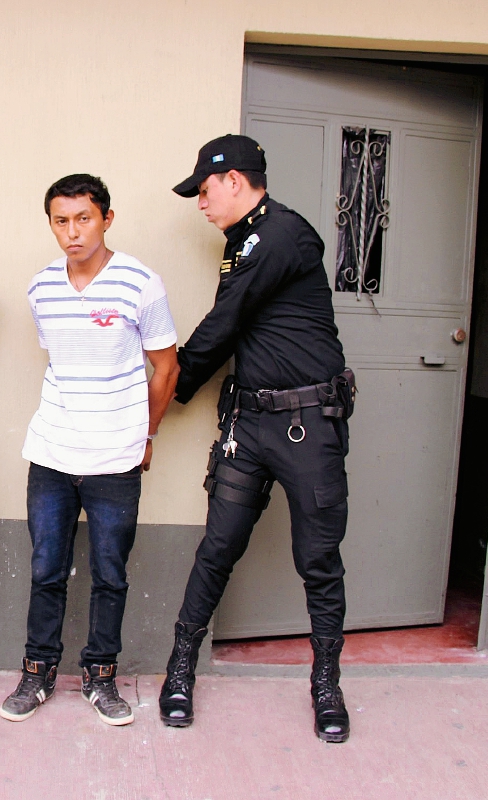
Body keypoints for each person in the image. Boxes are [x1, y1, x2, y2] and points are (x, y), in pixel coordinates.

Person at [160, 134, 355, 743]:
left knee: (318, 561)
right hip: (249, 424)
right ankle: (180, 670)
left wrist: (165, 391)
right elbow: (239, 326)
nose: (199, 201)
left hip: (307, 427)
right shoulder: (243, 242)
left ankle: (326, 683)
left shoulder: (282, 235)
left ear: (236, 181)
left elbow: (225, 322)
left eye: (205, 189)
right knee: (217, 548)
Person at [0, 174, 179, 727]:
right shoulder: (41, 288)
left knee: (110, 574)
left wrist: (144, 436)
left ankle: (101, 677)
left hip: (115, 457)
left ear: (106, 218)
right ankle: (37, 674)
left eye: (83, 218)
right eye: (61, 220)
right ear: (50, 223)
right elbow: (61, 361)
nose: (72, 232)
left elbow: (166, 366)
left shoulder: (141, 284)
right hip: (52, 451)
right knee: (46, 569)